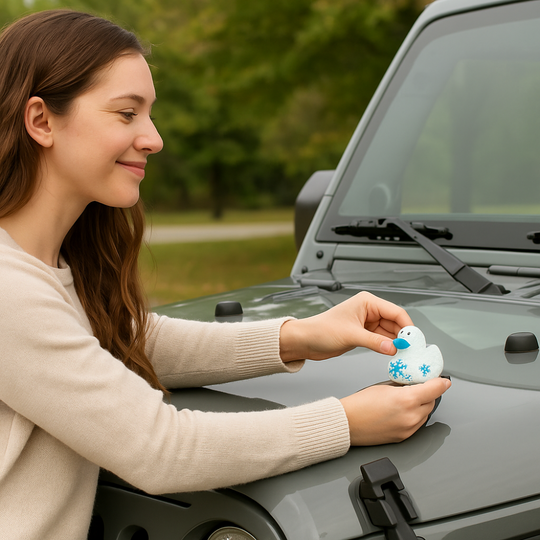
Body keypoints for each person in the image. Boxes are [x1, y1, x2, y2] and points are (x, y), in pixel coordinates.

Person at [0, 9, 451, 539]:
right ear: (41, 121)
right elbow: (159, 449)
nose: (154, 139)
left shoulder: (47, 267)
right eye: (126, 114)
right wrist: (346, 422)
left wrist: (301, 336)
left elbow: (129, 338)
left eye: (150, 115)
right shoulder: (10, 289)